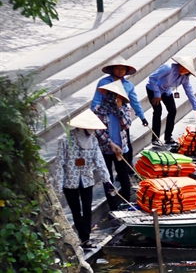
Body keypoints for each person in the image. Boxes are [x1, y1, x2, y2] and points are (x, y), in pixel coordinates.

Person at [53, 109, 111, 249]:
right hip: (70, 180)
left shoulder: (93, 141)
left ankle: (85, 238)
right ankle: (82, 235)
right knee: (75, 210)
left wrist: (107, 180)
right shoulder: (65, 140)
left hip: (86, 179)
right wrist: (58, 187)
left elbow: (99, 161)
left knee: (87, 209)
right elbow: (60, 164)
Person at [91, 56, 148, 172]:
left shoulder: (128, 85)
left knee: (125, 141)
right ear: (112, 69)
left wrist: (142, 117)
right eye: (117, 68)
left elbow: (135, 102)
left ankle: (127, 165)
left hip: (121, 116)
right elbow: (97, 100)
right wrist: (94, 115)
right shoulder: (103, 82)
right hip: (105, 116)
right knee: (105, 141)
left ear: (126, 71)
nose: (120, 71)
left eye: (123, 69)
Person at [92, 80, 132, 211]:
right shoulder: (99, 109)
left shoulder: (125, 108)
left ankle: (126, 203)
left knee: (124, 178)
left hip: (122, 148)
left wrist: (119, 109)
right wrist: (110, 143)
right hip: (106, 149)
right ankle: (113, 207)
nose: (113, 98)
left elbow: (126, 125)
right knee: (107, 180)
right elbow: (98, 130)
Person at [146, 57, 196, 145]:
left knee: (172, 110)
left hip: (166, 91)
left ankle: (168, 136)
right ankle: (155, 138)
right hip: (154, 89)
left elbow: (189, 92)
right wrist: (157, 94)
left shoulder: (185, 78)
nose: (184, 70)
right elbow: (152, 78)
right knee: (158, 111)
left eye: (186, 70)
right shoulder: (168, 68)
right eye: (183, 67)